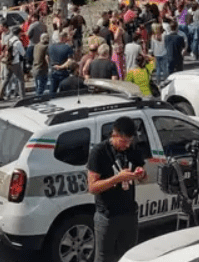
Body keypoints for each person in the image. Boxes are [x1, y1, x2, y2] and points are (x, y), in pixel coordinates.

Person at [87, 116, 147, 262]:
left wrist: (141, 173)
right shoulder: (99, 152)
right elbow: (92, 187)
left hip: (129, 214)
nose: (126, 145)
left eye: (129, 141)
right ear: (114, 135)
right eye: (123, 141)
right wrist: (117, 179)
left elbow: (144, 178)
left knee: (128, 256)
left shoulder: (133, 150)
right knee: (104, 258)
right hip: (107, 216)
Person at [0, 26, 26, 100]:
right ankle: (22, 96)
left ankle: (0, 94)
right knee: (21, 79)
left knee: (7, 79)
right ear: (18, 33)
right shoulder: (18, 42)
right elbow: (23, 53)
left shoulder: (9, 40)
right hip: (15, 63)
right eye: (20, 32)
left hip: (8, 62)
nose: (21, 34)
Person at [48, 31, 76, 96]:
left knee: (52, 90)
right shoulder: (68, 48)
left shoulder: (51, 47)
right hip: (63, 72)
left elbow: (47, 57)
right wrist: (61, 67)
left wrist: (51, 65)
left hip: (53, 70)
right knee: (63, 92)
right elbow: (70, 61)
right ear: (64, 38)